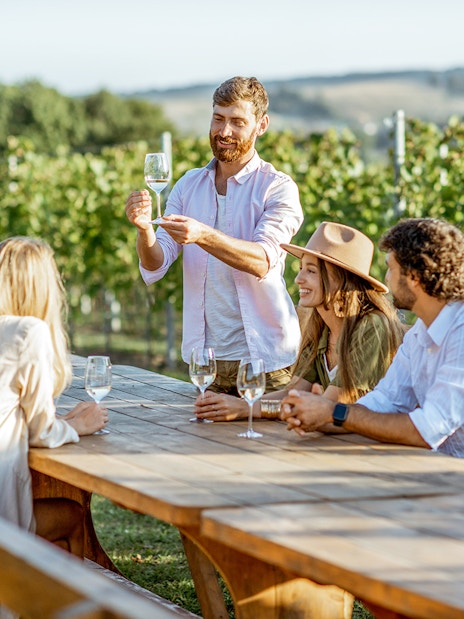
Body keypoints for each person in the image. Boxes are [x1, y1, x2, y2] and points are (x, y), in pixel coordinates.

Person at [125, 76, 303, 393]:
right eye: (218, 119)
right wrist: (143, 231)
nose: (224, 132)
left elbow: (263, 260)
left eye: (237, 122)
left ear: (261, 125)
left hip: (265, 361)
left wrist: (202, 235)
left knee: (270, 445)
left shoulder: (277, 188)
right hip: (205, 361)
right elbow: (156, 264)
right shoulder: (188, 185)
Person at [281, 217, 464, 458]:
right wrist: (321, 414)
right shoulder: (420, 333)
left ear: (414, 277)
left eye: (391, 268)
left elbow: (427, 429)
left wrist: (334, 413)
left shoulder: (459, 335)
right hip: (434, 470)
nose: (386, 278)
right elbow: (385, 402)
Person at [193, 221, 404, 422]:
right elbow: (293, 393)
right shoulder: (321, 327)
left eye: (311, 271)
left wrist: (247, 408)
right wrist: (242, 405)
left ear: (340, 279)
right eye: (302, 268)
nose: (298, 279)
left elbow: (327, 406)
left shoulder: (371, 326)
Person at [0, 237, 108, 557]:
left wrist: (62, 420)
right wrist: (80, 426)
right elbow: (41, 434)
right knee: (73, 516)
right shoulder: (26, 331)